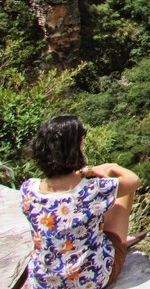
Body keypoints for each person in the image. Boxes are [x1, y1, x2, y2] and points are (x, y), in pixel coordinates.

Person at [19, 115, 143, 289]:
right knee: (123, 193)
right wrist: (110, 166)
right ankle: (118, 243)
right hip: (90, 280)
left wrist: (83, 173)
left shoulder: (28, 189)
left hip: (44, 283)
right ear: (76, 147)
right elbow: (134, 180)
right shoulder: (92, 189)